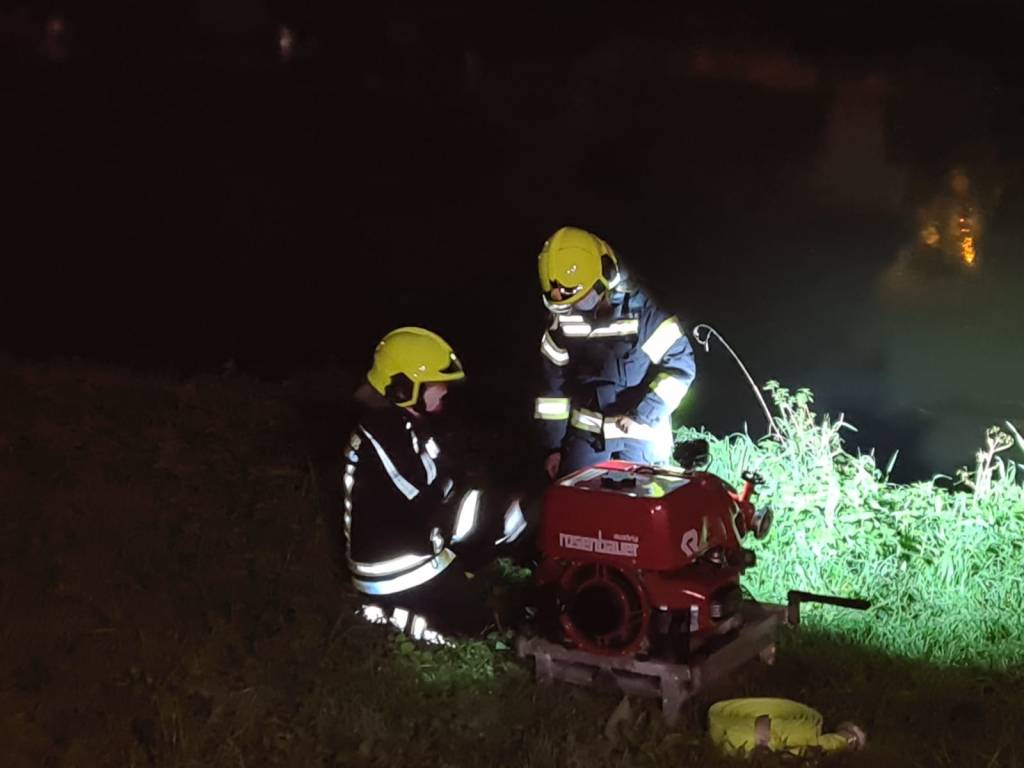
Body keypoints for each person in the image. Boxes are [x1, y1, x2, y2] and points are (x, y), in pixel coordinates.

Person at [343, 327, 530, 643]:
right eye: (435, 383)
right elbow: (426, 497)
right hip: (394, 569)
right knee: (475, 628)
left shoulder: (406, 423)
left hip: (417, 548)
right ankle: (387, 614)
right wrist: (492, 515)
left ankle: (424, 603)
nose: (444, 389)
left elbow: (444, 476)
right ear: (404, 388)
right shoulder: (383, 430)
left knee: (487, 605)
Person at [533, 226, 696, 478]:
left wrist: (644, 414)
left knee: (645, 502)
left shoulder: (643, 314)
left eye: (579, 297)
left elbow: (680, 367)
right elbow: (552, 391)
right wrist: (552, 447)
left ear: (605, 276)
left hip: (640, 440)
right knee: (575, 501)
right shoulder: (561, 324)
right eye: (563, 300)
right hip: (587, 441)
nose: (573, 307)